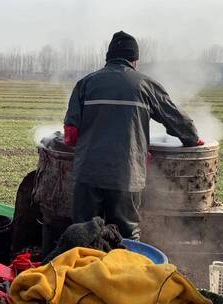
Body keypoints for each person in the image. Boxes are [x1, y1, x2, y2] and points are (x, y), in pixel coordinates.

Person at [63, 31, 203, 240]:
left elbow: (71, 134)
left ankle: (83, 271)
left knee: (83, 234)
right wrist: (192, 139)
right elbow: (177, 120)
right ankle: (125, 270)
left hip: (88, 174)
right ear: (135, 60)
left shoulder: (86, 83)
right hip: (126, 175)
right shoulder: (145, 85)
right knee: (126, 234)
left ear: (108, 57)